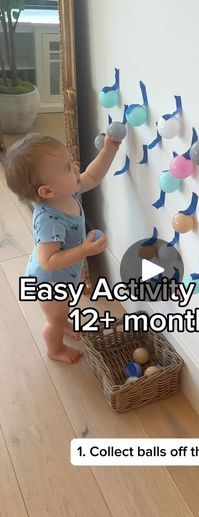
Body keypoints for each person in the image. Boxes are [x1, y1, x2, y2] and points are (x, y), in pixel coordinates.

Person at [5, 133, 120, 364]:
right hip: (48, 281)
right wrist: (84, 251)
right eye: (68, 167)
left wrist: (109, 150)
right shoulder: (50, 220)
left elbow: (93, 176)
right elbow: (48, 260)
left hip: (63, 275)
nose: (76, 168)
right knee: (54, 320)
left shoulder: (66, 192)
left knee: (65, 307)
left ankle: (65, 322)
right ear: (46, 191)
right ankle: (55, 349)